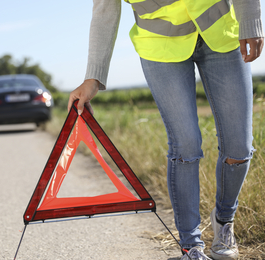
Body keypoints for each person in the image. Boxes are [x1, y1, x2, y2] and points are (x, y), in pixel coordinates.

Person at [67, 0, 264, 259]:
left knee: (240, 146)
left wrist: (250, 18)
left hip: (220, 30)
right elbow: (105, 10)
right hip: (159, 45)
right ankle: (191, 245)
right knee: (186, 144)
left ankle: (224, 220)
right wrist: (93, 77)